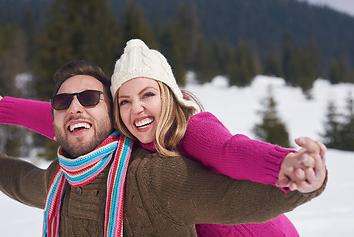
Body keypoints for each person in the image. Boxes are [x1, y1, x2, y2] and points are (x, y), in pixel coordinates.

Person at [0, 40, 327, 236]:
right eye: (125, 101)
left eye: (148, 95)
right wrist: (3, 108)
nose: (137, 108)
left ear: (169, 96)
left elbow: (231, 151)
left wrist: (284, 164)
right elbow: (73, 121)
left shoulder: (189, 130)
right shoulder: (122, 142)